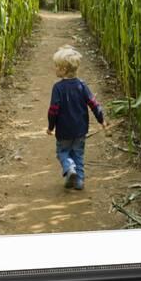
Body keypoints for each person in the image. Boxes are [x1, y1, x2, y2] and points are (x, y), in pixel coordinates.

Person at [46, 45, 106, 190]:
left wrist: (50, 127)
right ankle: (79, 182)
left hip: (64, 131)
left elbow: (53, 110)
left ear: (64, 70)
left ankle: (69, 169)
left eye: (57, 67)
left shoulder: (58, 88)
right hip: (80, 129)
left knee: (63, 153)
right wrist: (101, 119)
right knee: (78, 154)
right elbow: (93, 103)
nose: (55, 69)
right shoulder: (82, 85)